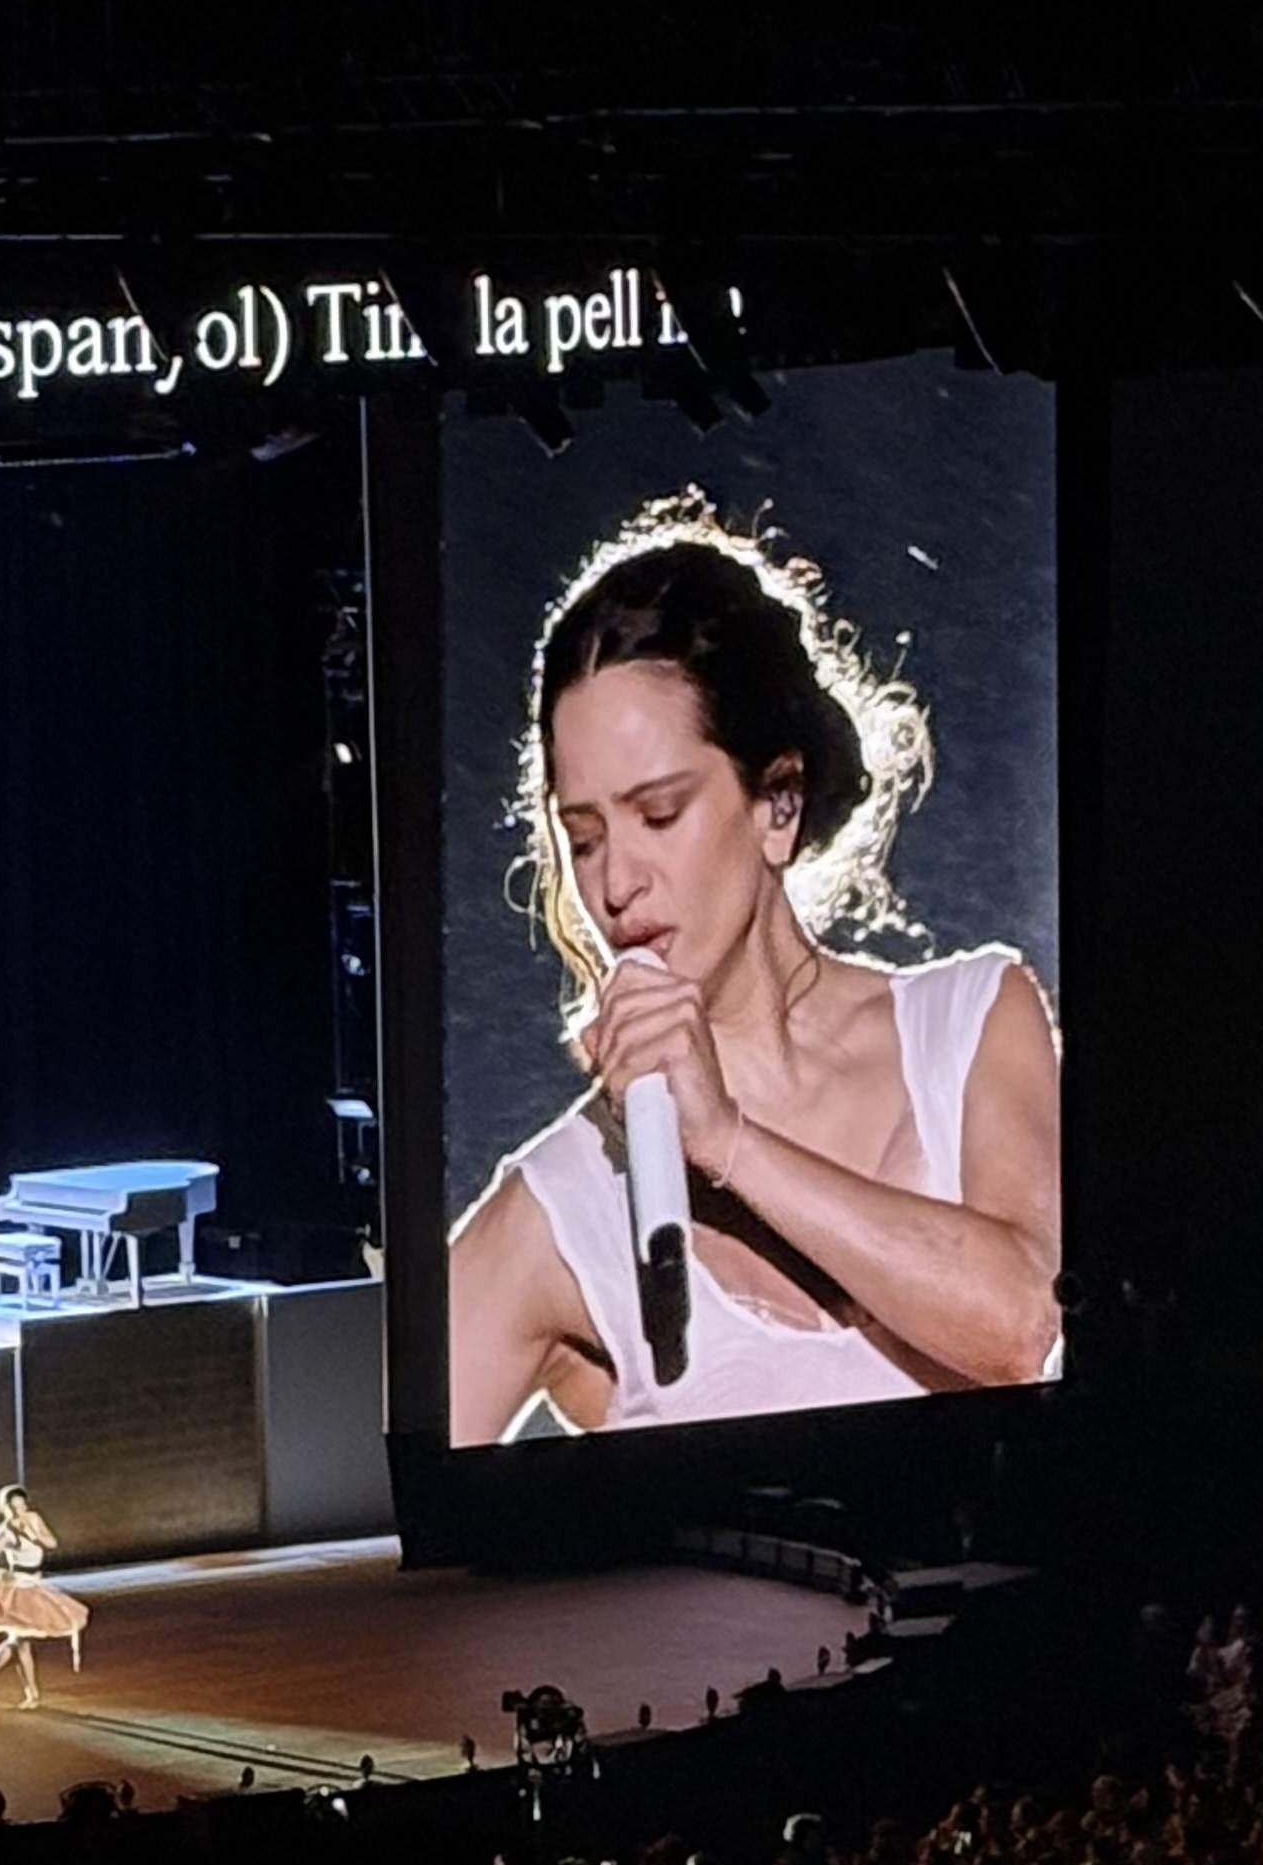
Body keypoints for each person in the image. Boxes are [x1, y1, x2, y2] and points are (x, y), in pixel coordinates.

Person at [448, 497, 1061, 1441]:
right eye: (583, 836)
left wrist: (727, 1141)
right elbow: (386, 1508)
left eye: (659, 816)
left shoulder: (973, 1023)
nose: (615, 883)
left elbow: (1024, 1330)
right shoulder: (562, 1204)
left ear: (777, 804)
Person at [0, 1485, 89, 1707]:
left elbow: (52, 1543)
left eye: (21, 1506)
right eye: (13, 1508)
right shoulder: (5, 1532)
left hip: (34, 1585)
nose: (18, 1511)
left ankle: (26, 1693)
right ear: (5, 1509)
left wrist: (33, 1533)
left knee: (22, 1642)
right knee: (19, 1639)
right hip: (17, 1589)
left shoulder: (33, 1518)